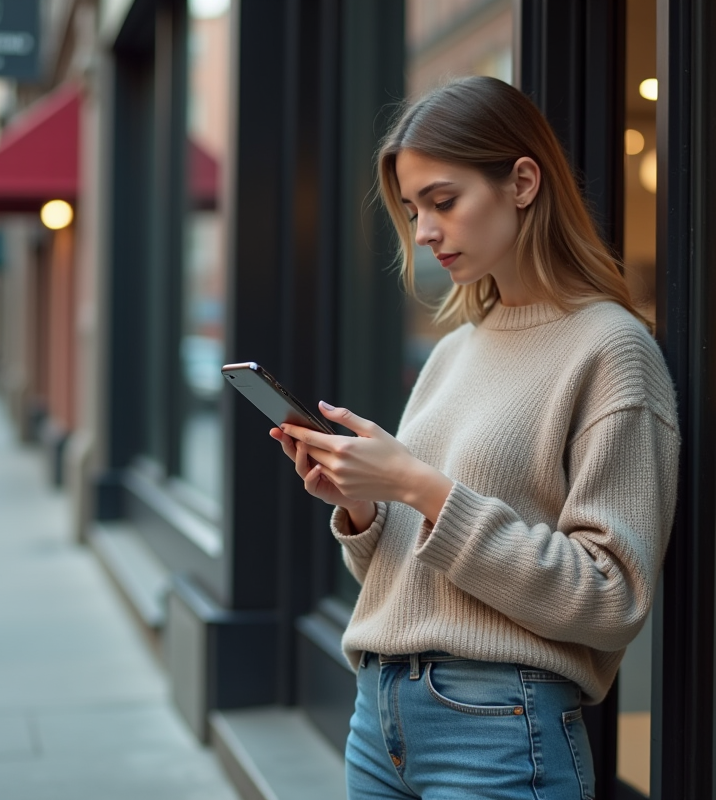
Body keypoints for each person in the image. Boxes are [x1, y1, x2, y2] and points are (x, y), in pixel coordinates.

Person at [270, 76, 680, 799]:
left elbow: (614, 598)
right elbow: (415, 578)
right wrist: (365, 508)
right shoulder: (455, 350)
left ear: (522, 182)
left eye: (443, 200)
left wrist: (417, 485)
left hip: (498, 725)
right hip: (379, 716)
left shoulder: (611, 350)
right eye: (411, 208)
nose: (424, 231)